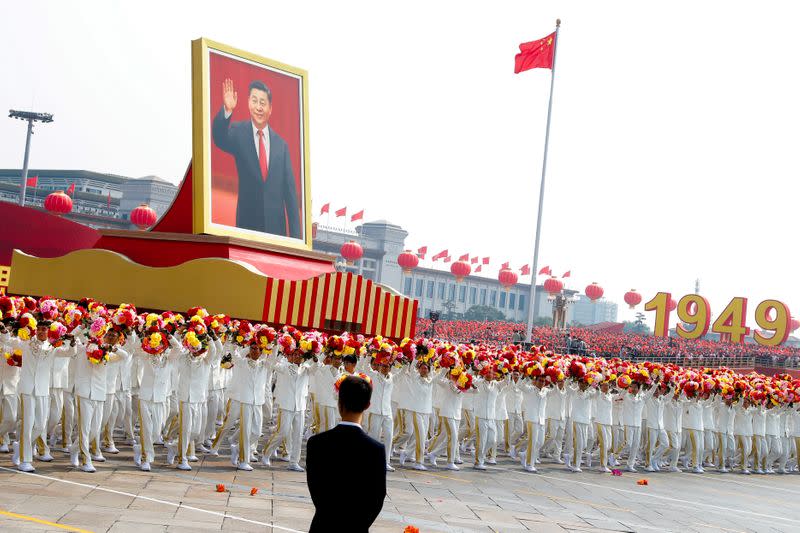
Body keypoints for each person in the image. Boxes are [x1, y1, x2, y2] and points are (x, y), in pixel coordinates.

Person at [211, 78, 301, 237]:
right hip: (247, 225)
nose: (258, 107)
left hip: (276, 231)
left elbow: (290, 195)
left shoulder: (282, 146)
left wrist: (296, 240)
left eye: (263, 102)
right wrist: (227, 110)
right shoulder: (239, 132)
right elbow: (219, 138)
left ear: (270, 108)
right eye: (254, 101)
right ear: (248, 103)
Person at [306, 375, 386, 533]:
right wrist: (359, 524)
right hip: (357, 527)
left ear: (339, 402)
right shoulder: (375, 449)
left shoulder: (316, 443)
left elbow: (315, 489)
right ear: (368, 405)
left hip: (323, 524)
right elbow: (377, 497)